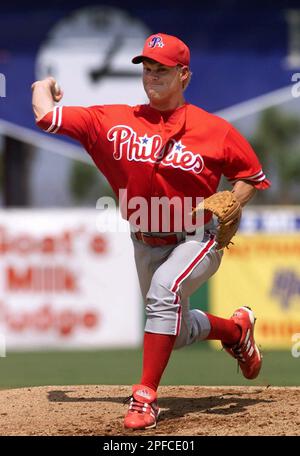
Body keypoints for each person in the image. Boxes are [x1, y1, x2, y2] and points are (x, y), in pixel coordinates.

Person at [32, 32, 270, 431]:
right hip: (144, 238)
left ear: (184, 76)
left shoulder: (215, 130)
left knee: (163, 291)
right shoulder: (110, 121)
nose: (153, 76)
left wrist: (234, 201)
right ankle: (235, 330)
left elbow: (251, 176)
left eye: (162, 69)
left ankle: (144, 398)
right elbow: (45, 115)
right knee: (172, 331)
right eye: (147, 68)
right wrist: (42, 86)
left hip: (198, 236)